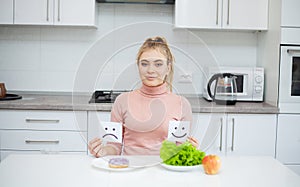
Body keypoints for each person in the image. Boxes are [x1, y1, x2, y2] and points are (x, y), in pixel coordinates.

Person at [88, 36, 199, 157]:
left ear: (168, 68)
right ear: (138, 66)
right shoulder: (122, 101)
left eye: (158, 64)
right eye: (144, 64)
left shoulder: (182, 104)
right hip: (129, 170)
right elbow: (114, 146)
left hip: (165, 172)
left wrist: (188, 149)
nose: (150, 70)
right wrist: (103, 151)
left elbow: (179, 149)